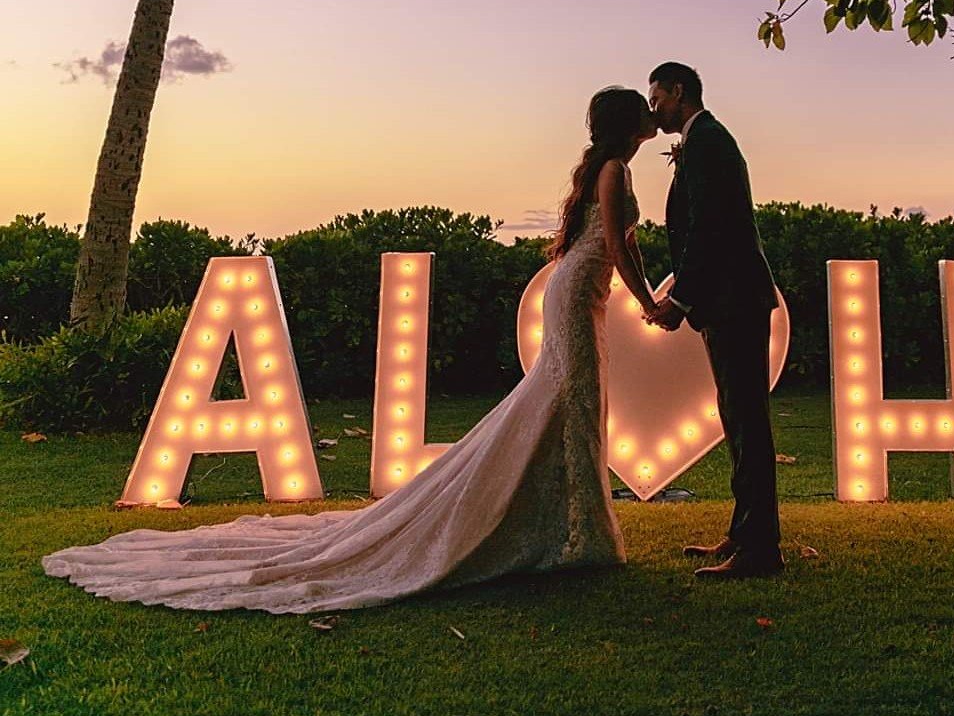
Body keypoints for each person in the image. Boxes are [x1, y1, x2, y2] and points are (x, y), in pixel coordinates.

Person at [42, 86, 660, 614]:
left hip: (582, 293)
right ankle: (579, 533)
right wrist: (648, 301)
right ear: (629, 125)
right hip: (581, 294)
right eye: (645, 115)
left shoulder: (608, 168)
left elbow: (612, 243)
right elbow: (617, 242)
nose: (651, 123)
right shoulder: (615, 172)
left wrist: (632, 293)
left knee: (568, 404)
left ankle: (571, 527)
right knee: (571, 400)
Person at [644, 62, 784, 579]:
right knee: (738, 419)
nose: (653, 108)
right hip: (728, 302)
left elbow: (710, 228)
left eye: (656, 98)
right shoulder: (703, 138)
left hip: (735, 302)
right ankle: (744, 534)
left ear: (678, 92)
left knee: (747, 422)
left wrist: (680, 301)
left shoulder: (707, 142)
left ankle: (760, 550)